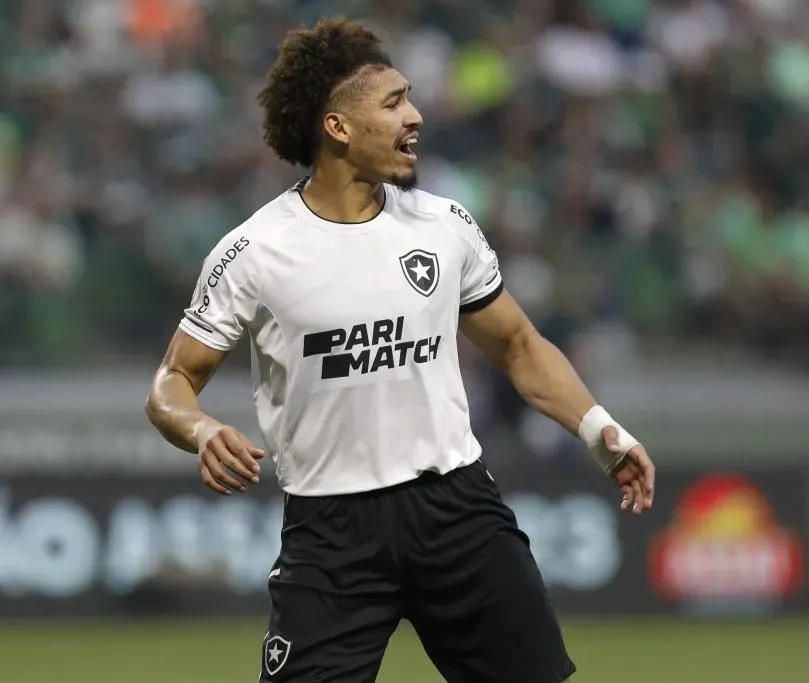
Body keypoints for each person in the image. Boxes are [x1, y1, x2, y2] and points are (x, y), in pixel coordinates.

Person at [144, 16, 654, 683]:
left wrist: (599, 427)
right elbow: (173, 380)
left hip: (457, 512)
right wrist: (200, 427)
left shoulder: (443, 224)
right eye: (393, 103)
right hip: (332, 532)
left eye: (410, 98)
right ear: (338, 127)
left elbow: (521, 345)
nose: (415, 116)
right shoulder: (254, 252)